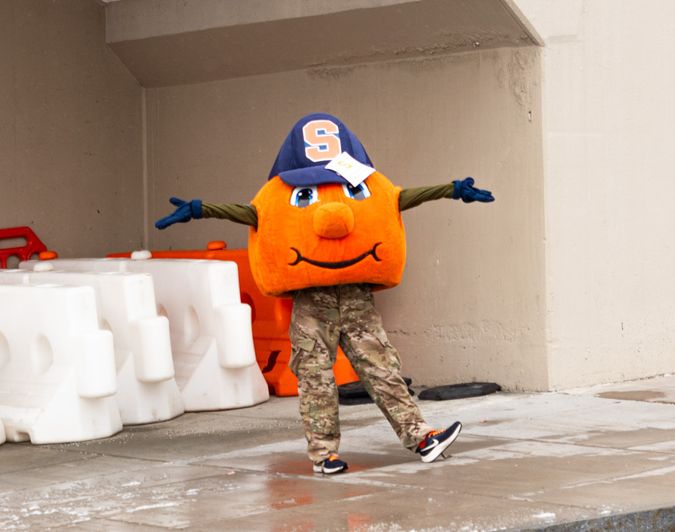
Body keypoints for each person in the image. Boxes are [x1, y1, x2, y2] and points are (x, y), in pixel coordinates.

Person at [155, 113, 494, 474]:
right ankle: (323, 454)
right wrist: (200, 209)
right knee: (315, 377)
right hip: (312, 303)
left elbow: (401, 198)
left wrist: (451, 189)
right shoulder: (279, 197)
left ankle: (422, 437)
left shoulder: (368, 186)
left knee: (382, 370)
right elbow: (251, 214)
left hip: (356, 300)